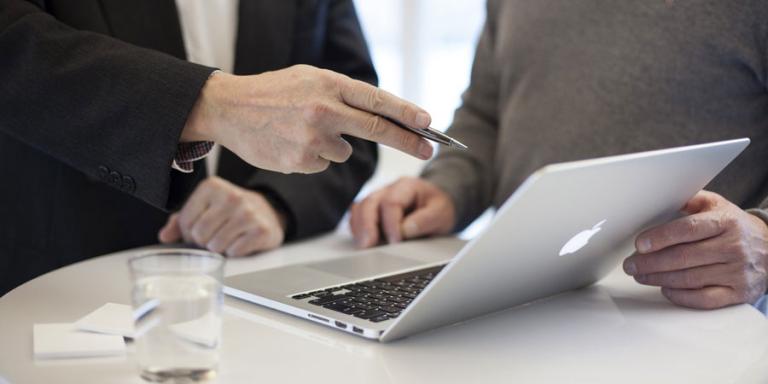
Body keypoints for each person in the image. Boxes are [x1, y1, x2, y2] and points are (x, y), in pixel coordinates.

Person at [350, 0, 768, 311]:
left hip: (690, 322)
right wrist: (447, 189)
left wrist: (763, 239)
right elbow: (487, 113)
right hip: (516, 303)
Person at [0, 0, 434, 295]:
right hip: (59, 291)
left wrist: (276, 204)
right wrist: (207, 102)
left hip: (257, 298)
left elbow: (348, 116)